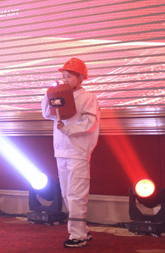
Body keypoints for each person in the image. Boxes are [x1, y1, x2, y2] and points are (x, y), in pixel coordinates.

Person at [41, 58, 100, 248]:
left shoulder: (88, 98)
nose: (66, 79)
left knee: (76, 194)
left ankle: (78, 235)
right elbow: (47, 113)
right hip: (61, 152)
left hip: (78, 152)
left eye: (70, 76)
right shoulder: (61, 95)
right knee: (67, 194)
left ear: (81, 77)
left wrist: (68, 129)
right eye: (64, 76)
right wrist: (49, 94)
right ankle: (82, 230)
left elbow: (89, 123)